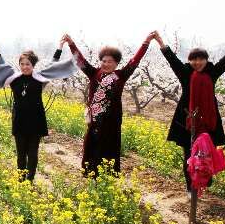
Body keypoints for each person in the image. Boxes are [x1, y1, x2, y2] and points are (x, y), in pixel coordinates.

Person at [154, 29, 225, 192]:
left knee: (207, 153)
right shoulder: (184, 73)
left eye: (201, 59)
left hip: (209, 122)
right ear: (189, 61)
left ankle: (205, 179)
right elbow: (172, 59)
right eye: (193, 59)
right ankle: (190, 188)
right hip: (187, 120)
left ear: (206, 60)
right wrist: (160, 42)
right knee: (188, 156)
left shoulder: (212, 73)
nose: (197, 62)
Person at [63, 32, 158, 177]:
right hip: (95, 121)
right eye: (104, 61)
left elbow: (135, 60)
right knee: (92, 148)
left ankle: (108, 178)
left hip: (112, 122)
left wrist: (146, 42)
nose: (106, 64)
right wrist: (71, 43)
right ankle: (92, 176)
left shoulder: (121, 75)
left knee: (109, 149)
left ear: (116, 63)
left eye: (110, 61)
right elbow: (80, 60)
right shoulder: (93, 73)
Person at [0, 38, 76, 181]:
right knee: (20, 153)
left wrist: (60, 46)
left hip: (36, 121)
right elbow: (3, 64)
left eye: (28, 64)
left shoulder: (40, 78)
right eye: (22, 64)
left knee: (32, 153)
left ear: (33, 65)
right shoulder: (14, 78)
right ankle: (20, 179)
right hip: (19, 120)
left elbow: (52, 65)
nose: (24, 67)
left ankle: (30, 180)